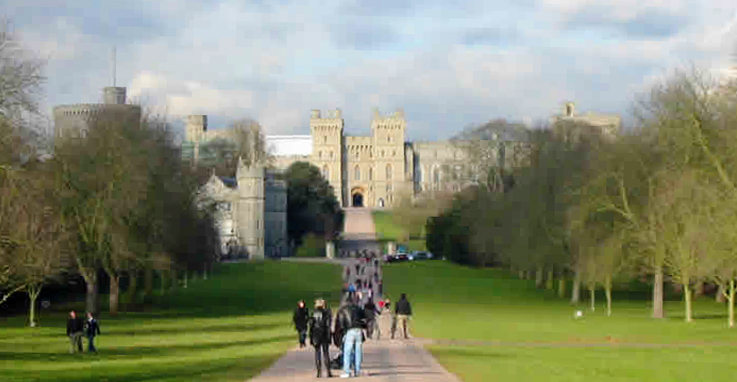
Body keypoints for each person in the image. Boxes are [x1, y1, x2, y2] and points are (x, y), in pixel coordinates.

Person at [337, 296, 366, 378]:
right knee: (358, 351)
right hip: (359, 330)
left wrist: (343, 333)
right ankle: (357, 371)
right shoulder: (358, 308)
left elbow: (341, 323)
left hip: (350, 331)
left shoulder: (343, 310)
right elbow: (364, 318)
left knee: (347, 352)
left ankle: (347, 371)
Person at [309, 298, 333, 378]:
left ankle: (319, 373)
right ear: (323, 304)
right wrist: (329, 336)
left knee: (317, 353)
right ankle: (328, 372)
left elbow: (311, 326)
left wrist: (311, 337)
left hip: (316, 335)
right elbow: (328, 325)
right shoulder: (326, 312)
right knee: (326, 353)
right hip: (324, 335)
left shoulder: (313, 312)